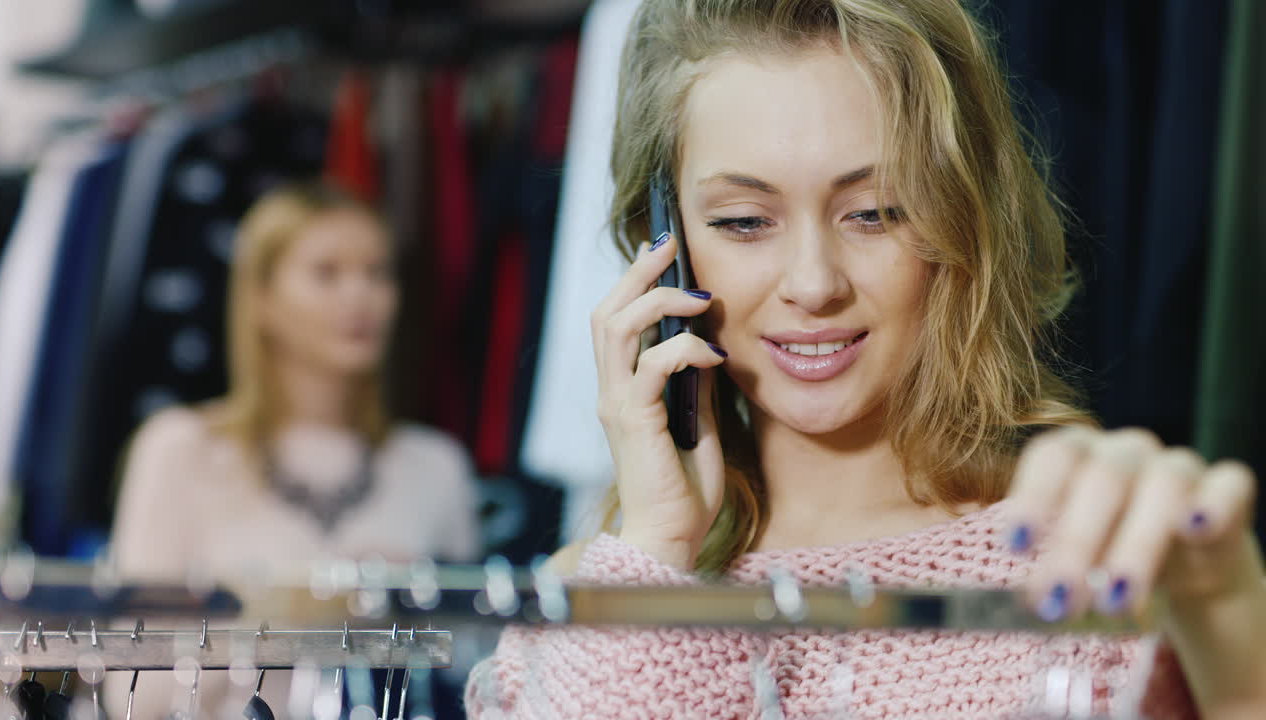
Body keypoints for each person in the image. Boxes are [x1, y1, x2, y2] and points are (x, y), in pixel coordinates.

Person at [464, 0, 1266, 718]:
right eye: (745, 221)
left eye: (875, 212)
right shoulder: (594, 594)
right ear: (663, 249)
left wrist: (1230, 606)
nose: (813, 285)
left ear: (964, 222)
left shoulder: (1101, 569)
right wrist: (658, 552)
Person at [109, 180, 481, 715]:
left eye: (377, 273)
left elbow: (472, 679)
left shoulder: (436, 466)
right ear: (262, 298)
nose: (361, 296)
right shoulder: (181, 450)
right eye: (326, 273)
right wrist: (294, 615)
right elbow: (131, 691)